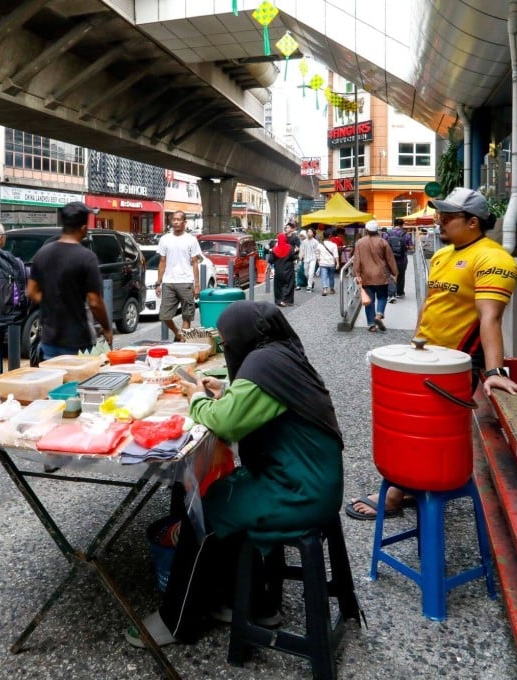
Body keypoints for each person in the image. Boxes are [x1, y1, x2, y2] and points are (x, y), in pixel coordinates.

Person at [125, 300, 344, 648]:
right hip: (309, 478)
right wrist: (226, 392)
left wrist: (198, 398)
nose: (226, 348)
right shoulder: (281, 354)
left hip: (299, 491)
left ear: (244, 337)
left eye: (227, 342)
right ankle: (255, 602)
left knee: (204, 511)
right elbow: (261, 405)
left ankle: (174, 621)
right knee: (221, 493)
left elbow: (226, 422)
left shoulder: (263, 363)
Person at [346, 188, 517, 520]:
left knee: (423, 430)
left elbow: (491, 317)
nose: (439, 220)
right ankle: (408, 483)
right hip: (423, 358)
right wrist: (413, 345)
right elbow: (430, 306)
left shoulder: (494, 258)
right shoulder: (443, 255)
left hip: (455, 364)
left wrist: (496, 372)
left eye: (448, 216)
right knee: (402, 424)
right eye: (439, 213)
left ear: (473, 222)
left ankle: (397, 493)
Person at [27, 201, 112, 358]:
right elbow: (95, 302)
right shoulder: (87, 258)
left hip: (50, 339)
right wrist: (107, 328)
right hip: (79, 340)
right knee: (80, 381)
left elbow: (31, 291)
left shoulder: (42, 253)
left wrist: (52, 302)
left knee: (56, 381)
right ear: (83, 228)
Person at [155, 211, 201, 342]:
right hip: (169, 282)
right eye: (173, 219)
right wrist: (158, 282)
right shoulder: (165, 239)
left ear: (184, 222)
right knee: (164, 315)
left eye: (178, 219)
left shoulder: (191, 240)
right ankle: (178, 333)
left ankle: (183, 343)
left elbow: (195, 263)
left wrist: (197, 286)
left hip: (186, 282)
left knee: (187, 316)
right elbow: (162, 262)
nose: (175, 222)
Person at [352, 220, 397, 332]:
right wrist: (395, 273)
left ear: (366, 230)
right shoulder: (383, 242)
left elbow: (356, 260)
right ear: (377, 230)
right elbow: (390, 259)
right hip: (381, 275)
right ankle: (379, 314)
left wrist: (357, 274)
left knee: (369, 300)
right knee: (382, 296)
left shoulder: (359, 243)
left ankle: (371, 325)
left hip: (366, 275)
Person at [385, 217, 412, 299]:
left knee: (389, 275)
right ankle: (399, 293)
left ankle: (390, 292)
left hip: (389, 259)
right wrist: (406, 247)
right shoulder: (406, 234)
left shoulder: (387, 234)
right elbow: (411, 247)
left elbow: (383, 246)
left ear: (393, 224)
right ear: (402, 225)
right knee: (401, 275)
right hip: (402, 259)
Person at [268, 232, 295, 307]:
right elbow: (293, 257)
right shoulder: (290, 247)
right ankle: (287, 300)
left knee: (278, 286)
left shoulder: (275, 250)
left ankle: (279, 300)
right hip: (288, 270)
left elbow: (271, 260)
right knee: (289, 285)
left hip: (279, 270)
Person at [316, 229, 339, 295]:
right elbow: (336, 255)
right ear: (330, 236)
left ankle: (325, 289)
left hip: (323, 263)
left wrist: (318, 259)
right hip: (331, 263)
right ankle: (331, 289)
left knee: (324, 276)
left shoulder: (319, 245)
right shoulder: (334, 245)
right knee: (331, 276)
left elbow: (317, 253)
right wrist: (337, 263)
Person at [299, 228, 320, 292]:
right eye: (308, 232)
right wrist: (300, 259)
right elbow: (302, 250)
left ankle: (309, 286)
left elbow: (318, 251)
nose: (308, 233)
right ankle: (312, 282)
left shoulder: (316, 242)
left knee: (311, 273)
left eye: (310, 232)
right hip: (306, 259)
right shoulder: (304, 242)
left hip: (313, 259)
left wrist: (318, 259)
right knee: (306, 273)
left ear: (313, 234)